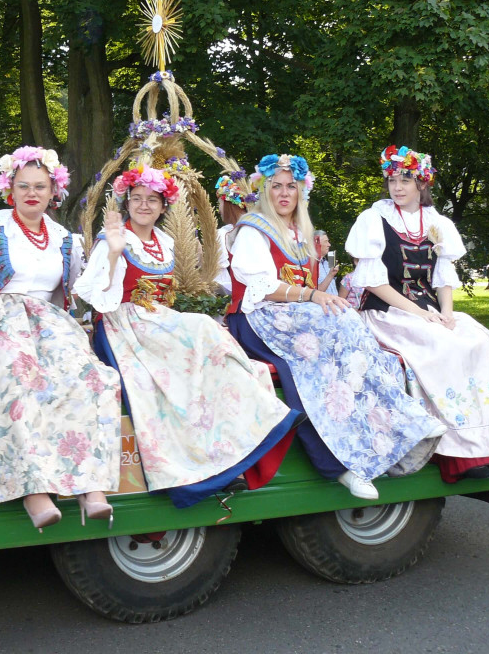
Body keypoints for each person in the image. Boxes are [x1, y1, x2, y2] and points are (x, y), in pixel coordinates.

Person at [73, 162, 302, 508]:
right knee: (202, 329)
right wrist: (115, 253)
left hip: (157, 323)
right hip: (125, 328)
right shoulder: (114, 240)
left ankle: (234, 447)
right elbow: (96, 297)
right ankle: (194, 468)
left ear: (165, 206)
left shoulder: (164, 241)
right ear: (127, 203)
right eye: (137, 198)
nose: (144, 205)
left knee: (211, 350)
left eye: (153, 199)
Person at [226, 153, 445, 500]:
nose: (284, 194)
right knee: (320, 357)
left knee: (349, 328)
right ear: (264, 191)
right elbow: (262, 288)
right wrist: (313, 295)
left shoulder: (299, 232)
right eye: (276, 187)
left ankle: (396, 427)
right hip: (258, 319)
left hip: (294, 318)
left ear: (301, 193)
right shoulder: (253, 231)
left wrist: (319, 300)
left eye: (291, 187)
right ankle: (341, 463)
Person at [0, 147, 122, 530]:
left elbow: (75, 297)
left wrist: (111, 255)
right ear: (10, 188)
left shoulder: (63, 237)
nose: (31, 193)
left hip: (47, 322)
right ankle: (34, 491)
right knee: (19, 376)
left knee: (92, 378)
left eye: (40, 186)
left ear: (53, 190)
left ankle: (89, 485)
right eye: (23, 185)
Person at [345, 145, 489, 482]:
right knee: (445, 350)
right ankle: (461, 457)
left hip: (427, 311)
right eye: (392, 180)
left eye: (406, 179)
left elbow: (443, 278)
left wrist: (446, 313)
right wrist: (421, 314)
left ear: (422, 183)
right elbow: (373, 284)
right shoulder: (373, 219)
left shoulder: (436, 222)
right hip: (387, 312)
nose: (397, 187)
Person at [213, 173, 251, 295]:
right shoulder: (260, 230)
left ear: (229, 205)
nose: (219, 210)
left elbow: (220, 283)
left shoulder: (222, 235)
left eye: (220, 204)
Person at [313, 230, 339, 294]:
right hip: (320, 303)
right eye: (326, 242)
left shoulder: (327, 263)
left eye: (328, 241)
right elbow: (314, 292)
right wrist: (330, 275)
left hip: (334, 302)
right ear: (316, 244)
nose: (329, 245)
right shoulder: (310, 264)